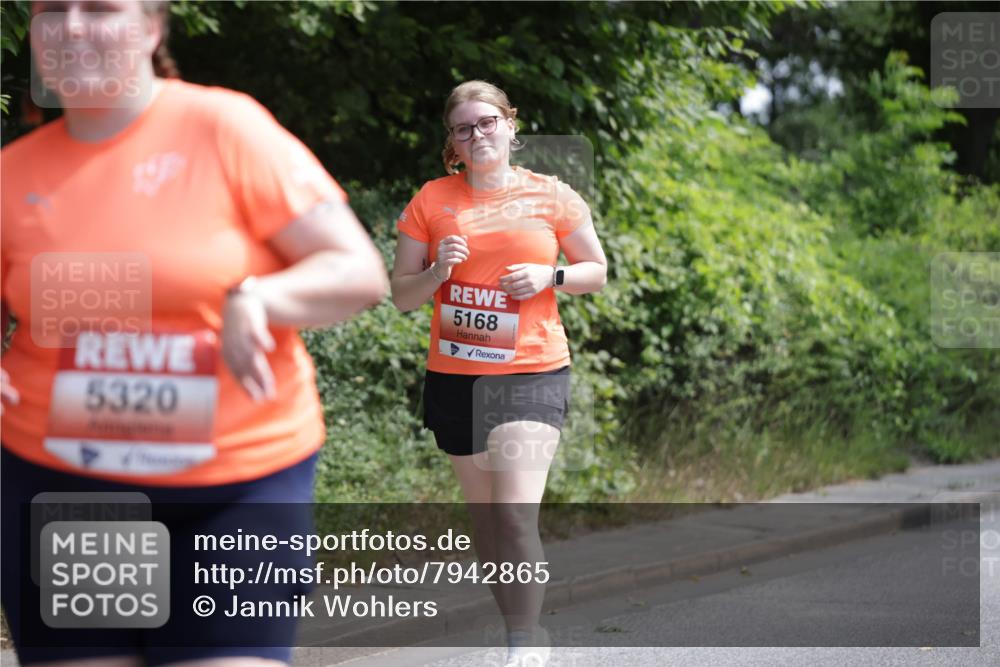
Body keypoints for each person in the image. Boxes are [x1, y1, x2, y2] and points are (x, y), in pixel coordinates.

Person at [0, 1, 388, 665]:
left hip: (237, 483)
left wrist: (260, 294)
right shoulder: (15, 173)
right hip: (68, 487)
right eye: (51, 9)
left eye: (98, 8)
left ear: (152, 28)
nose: (70, 25)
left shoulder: (223, 127)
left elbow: (358, 272)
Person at [390, 80, 608, 666]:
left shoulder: (552, 196)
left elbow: (597, 269)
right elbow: (402, 297)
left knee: (513, 513)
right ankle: (519, 629)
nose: (478, 134)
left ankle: (521, 646)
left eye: (487, 122)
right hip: (455, 377)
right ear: (452, 143)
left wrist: (550, 278)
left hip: (531, 371)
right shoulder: (432, 201)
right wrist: (436, 272)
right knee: (487, 524)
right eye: (464, 128)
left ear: (512, 125)